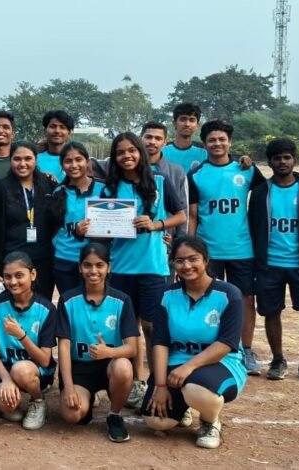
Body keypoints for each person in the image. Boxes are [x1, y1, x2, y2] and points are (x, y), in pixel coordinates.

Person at [102, 132, 186, 410]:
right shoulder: (110, 188)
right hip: (121, 268)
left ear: (140, 152)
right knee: (130, 329)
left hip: (153, 267)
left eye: (131, 150)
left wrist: (156, 225)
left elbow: (181, 215)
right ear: (114, 157)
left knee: (152, 327)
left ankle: (155, 380)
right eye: (120, 152)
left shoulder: (159, 181)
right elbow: (102, 226)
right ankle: (137, 381)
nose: (126, 156)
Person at [142, 236, 246, 449]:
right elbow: (160, 342)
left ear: (206, 259)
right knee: (156, 420)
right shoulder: (166, 295)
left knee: (195, 389)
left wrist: (188, 367)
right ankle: (183, 406)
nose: (186, 266)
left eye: (193, 259)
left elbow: (225, 344)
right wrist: (160, 386)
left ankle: (210, 422)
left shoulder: (229, 294)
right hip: (177, 362)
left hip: (222, 363)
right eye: (179, 261)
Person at [188, 120, 266, 375]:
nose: (217, 144)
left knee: (246, 299)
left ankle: (246, 349)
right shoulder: (196, 174)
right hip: (208, 250)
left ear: (230, 142)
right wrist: (189, 248)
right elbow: (193, 215)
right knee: (207, 299)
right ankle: (208, 348)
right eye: (212, 140)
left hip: (241, 248)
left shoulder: (247, 170)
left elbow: (273, 190)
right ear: (205, 144)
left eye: (222, 139)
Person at [248, 138, 299, 385]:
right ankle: (278, 359)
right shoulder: (261, 193)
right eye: (277, 158)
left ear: (294, 160)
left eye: (287, 157)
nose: (282, 162)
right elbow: (253, 227)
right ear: (270, 162)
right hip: (269, 265)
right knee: (272, 312)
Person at [57, 243, 138, 442]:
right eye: (87, 265)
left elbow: (132, 348)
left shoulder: (122, 300)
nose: (93, 271)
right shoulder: (67, 300)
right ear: (80, 267)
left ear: (108, 267)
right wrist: (68, 387)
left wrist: (108, 353)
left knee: (123, 367)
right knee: (72, 415)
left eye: (99, 265)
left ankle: (114, 415)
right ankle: (87, 398)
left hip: (109, 366)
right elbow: (64, 347)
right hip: (80, 369)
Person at [0, 252, 57, 431]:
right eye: (7, 277)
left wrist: (21, 335)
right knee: (8, 406)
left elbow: (44, 360)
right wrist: (6, 380)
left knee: (22, 370)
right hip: (4, 368)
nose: (13, 282)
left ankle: (38, 400)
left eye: (19, 275)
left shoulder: (46, 309)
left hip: (33, 370)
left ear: (32, 274)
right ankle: (12, 397)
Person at [0, 141, 56, 297]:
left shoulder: (48, 185)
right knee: (10, 306)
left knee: (41, 306)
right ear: (10, 160)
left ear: (36, 159)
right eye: (17, 159)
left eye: (28, 158)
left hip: (43, 261)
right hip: (10, 262)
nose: (22, 164)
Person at [51, 142, 106, 295]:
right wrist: (75, 230)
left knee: (95, 302)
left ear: (87, 162)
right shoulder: (57, 192)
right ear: (62, 165)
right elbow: (55, 227)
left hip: (96, 260)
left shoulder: (104, 189)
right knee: (70, 304)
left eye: (78, 160)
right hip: (65, 259)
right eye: (68, 161)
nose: (74, 165)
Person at [140, 122, 187, 237]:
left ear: (165, 142)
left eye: (158, 138)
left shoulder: (177, 172)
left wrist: (179, 242)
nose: (152, 142)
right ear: (140, 138)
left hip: (165, 239)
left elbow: (184, 210)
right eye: (148, 137)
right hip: (132, 238)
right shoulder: (127, 169)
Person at [161, 103, 207, 174]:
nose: (187, 124)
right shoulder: (162, 151)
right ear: (174, 123)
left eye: (192, 120)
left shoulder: (205, 152)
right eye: (183, 119)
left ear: (197, 125)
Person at [37, 110, 75, 182]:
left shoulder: (77, 161)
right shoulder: (34, 160)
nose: (57, 131)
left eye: (62, 127)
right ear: (45, 131)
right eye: (52, 126)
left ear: (69, 133)